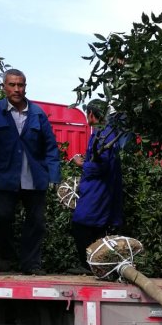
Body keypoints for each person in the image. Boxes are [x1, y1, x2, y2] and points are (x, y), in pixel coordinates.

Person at [0, 68, 60, 274]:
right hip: (6, 177)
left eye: (20, 85)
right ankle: (5, 260)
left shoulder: (37, 113)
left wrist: (54, 175)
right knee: (4, 217)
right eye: (12, 85)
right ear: (4, 87)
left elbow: (50, 147)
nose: (16, 89)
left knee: (36, 222)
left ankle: (31, 265)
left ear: (25, 87)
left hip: (35, 179)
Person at [69, 100, 125, 270]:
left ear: (91, 114)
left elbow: (103, 166)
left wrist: (81, 164)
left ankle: (88, 265)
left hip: (98, 189)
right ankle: (97, 266)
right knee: (97, 226)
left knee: (81, 223)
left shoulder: (102, 134)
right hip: (105, 189)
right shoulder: (107, 133)